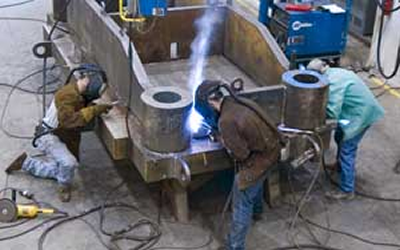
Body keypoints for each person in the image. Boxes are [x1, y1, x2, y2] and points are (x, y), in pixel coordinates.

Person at [5, 64, 113, 202]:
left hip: (61, 135)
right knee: (69, 163)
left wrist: (93, 108)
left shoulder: (77, 93)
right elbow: (68, 120)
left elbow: (78, 112)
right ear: (86, 80)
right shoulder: (67, 95)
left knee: (59, 170)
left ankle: (25, 163)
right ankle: (64, 187)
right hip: (48, 136)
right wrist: (93, 110)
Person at [195, 80, 280, 250]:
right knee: (255, 186)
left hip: (259, 160)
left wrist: (222, 139)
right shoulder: (238, 101)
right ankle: (257, 212)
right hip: (272, 150)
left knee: (241, 198)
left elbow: (241, 155)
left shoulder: (226, 121)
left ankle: (235, 246)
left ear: (209, 103)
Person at [307, 59, 385, 200]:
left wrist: (312, 114)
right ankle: (339, 166)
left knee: (347, 149)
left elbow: (333, 111)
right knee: (339, 136)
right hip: (357, 110)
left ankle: (347, 190)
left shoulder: (333, 81)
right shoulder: (336, 71)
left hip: (361, 115)